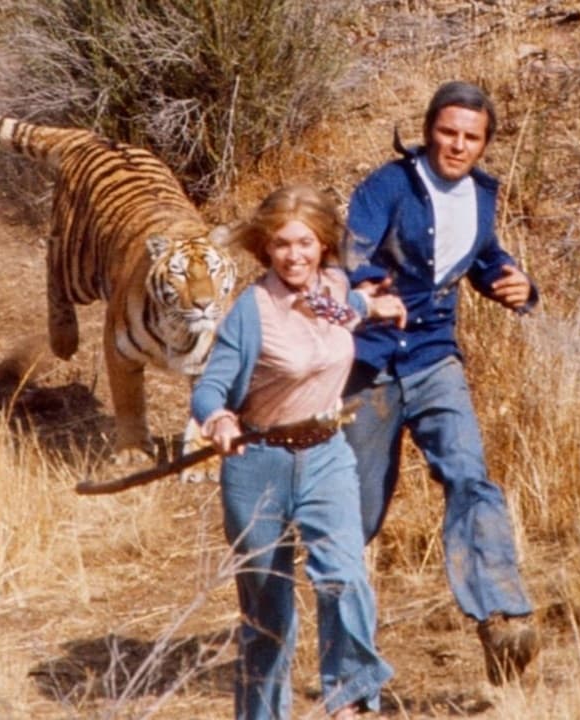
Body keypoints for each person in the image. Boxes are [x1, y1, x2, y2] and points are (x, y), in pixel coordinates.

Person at [340, 81, 541, 686]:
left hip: (433, 359)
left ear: (484, 144)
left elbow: (482, 257)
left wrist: (516, 284)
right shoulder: (387, 185)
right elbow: (353, 253)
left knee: (469, 475)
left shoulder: (482, 194)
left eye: (470, 137)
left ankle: (501, 618)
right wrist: (369, 288)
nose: (457, 145)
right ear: (428, 131)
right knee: (356, 513)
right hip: (370, 365)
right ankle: (344, 658)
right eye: (447, 132)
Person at [191, 185, 404, 719]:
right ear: (266, 247)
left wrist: (373, 305)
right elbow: (210, 386)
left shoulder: (333, 286)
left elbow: (339, 311)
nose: (294, 256)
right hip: (259, 463)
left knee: (344, 578)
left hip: (328, 455)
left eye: (305, 243)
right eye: (282, 244)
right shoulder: (252, 310)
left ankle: (350, 698)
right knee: (268, 614)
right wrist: (218, 418)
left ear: (323, 243)